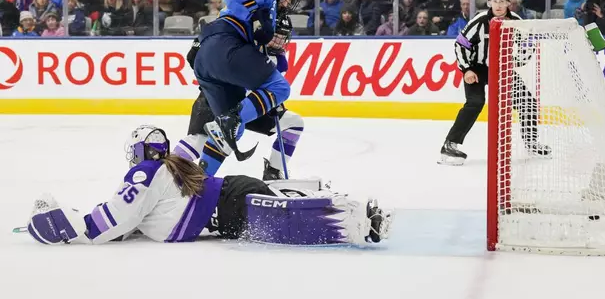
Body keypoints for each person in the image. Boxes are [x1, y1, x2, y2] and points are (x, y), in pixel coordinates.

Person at [25, 125, 392, 246]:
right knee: (283, 211)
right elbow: (139, 217)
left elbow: (115, 217)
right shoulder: (168, 168)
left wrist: (73, 228)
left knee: (287, 222)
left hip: (230, 205)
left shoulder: (145, 174)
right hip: (231, 197)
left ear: (138, 153)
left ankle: (362, 220)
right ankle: (346, 206)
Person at [192, 0, 300, 172]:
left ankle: (198, 182)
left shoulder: (270, 11)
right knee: (281, 89)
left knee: (230, 131)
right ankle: (235, 119)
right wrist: (255, 14)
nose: (289, 0)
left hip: (209, 61)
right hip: (224, 46)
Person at [177, 16, 304, 180]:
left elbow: (264, 93)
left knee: (294, 123)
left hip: (245, 107)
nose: (279, 42)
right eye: (275, 36)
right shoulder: (242, 43)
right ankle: (166, 173)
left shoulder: (278, 61)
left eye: (282, 37)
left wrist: (274, 103)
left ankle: (273, 172)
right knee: (199, 140)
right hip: (216, 97)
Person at [439, 0, 551, 165]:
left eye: (503, 1)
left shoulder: (516, 21)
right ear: (489, 2)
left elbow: (528, 43)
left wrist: (518, 60)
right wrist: (467, 69)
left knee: (527, 101)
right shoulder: (479, 20)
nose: (498, 5)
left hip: (503, 68)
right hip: (477, 67)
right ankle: (449, 145)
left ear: (509, 3)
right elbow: (461, 44)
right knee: (475, 102)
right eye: (495, 0)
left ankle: (531, 143)